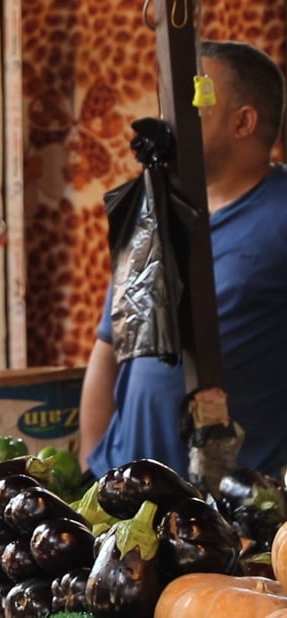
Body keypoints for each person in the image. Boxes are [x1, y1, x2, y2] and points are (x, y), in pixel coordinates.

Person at [80, 40, 287, 481]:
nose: (172, 120)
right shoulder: (156, 212)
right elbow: (109, 346)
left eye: (193, 101)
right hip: (121, 490)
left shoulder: (282, 215)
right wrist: (93, 462)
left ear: (243, 122)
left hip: (227, 513)